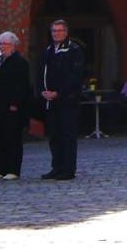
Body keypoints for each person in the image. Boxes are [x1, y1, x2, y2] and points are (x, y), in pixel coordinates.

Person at [41, 19, 85, 181]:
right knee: (54, 136)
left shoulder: (73, 50)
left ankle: (68, 169)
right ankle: (56, 167)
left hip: (67, 100)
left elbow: (75, 76)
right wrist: (43, 91)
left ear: (66, 32)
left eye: (59, 31)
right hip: (50, 101)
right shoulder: (48, 50)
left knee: (67, 136)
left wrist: (59, 92)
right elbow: (42, 72)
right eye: (54, 31)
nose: (56, 33)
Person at [0, 31, 31, 180]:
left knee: (12, 139)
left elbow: (21, 86)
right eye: (1, 44)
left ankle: (13, 169)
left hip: (12, 108)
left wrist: (15, 103)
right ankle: (2, 168)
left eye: (5, 44)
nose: (2, 47)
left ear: (13, 46)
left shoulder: (19, 62)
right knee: (1, 139)